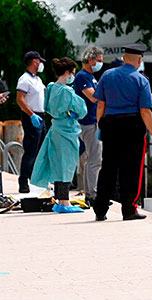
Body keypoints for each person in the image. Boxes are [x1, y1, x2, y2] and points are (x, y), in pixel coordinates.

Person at [92, 44, 152, 221]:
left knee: (108, 167)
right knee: (131, 169)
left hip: (110, 124)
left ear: (124, 58)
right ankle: (129, 209)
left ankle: (100, 208)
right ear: (139, 60)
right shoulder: (141, 80)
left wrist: (101, 125)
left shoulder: (107, 75)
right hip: (132, 126)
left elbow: (100, 104)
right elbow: (145, 111)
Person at [31, 57, 87, 213]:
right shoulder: (67, 91)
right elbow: (82, 110)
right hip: (67, 131)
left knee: (57, 165)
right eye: (73, 73)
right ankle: (65, 203)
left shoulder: (50, 87)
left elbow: (46, 107)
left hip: (55, 128)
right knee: (67, 167)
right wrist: (71, 113)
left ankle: (59, 200)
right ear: (68, 72)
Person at [73, 46, 104, 206]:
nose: (100, 64)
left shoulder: (90, 76)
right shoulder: (83, 77)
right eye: (99, 60)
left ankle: (89, 192)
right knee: (95, 159)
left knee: (90, 158)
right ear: (90, 60)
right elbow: (93, 97)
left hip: (92, 121)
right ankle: (93, 194)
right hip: (89, 122)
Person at [16, 51, 48, 193]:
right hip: (31, 116)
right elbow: (20, 99)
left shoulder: (37, 79)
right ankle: (23, 181)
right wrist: (32, 115)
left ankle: (36, 178)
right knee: (30, 150)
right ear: (34, 62)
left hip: (40, 115)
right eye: (39, 61)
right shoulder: (25, 79)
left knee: (41, 149)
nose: (41, 64)